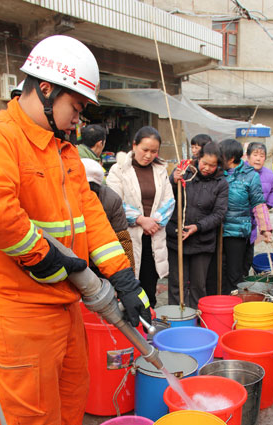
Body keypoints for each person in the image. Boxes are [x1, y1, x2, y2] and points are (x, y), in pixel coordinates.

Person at [0, 35, 151, 425]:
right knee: (32, 419)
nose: (79, 117)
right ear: (46, 89)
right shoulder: (5, 137)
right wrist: (41, 256)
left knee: (70, 397)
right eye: (77, 105)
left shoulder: (63, 151)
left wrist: (124, 279)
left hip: (66, 303)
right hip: (21, 310)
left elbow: (93, 221)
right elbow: (2, 210)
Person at [107, 126, 175, 308]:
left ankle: (148, 328)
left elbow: (169, 202)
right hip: (128, 236)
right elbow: (114, 202)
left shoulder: (160, 170)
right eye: (145, 150)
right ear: (134, 145)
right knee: (128, 287)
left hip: (153, 236)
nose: (148, 155)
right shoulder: (118, 170)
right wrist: (140, 219)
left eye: (154, 151)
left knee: (149, 288)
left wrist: (153, 222)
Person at [166, 141, 229, 308]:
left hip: (202, 240)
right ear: (198, 158)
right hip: (177, 235)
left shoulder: (221, 183)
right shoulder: (184, 171)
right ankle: (176, 320)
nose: (207, 168)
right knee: (176, 283)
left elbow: (219, 213)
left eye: (212, 165)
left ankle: (196, 320)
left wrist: (198, 227)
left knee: (198, 285)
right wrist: (173, 180)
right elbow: (165, 197)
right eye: (204, 163)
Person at [218, 139, 272, 294]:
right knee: (218, 271)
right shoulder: (218, 173)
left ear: (231, 157)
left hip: (237, 232)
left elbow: (259, 203)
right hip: (216, 230)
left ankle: (234, 306)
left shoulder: (250, 176)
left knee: (235, 273)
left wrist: (265, 229)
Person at [82, 158, 135, 271]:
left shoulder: (111, 199)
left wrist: (130, 274)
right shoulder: (61, 198)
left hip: (103, 263)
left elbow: (122, 238)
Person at [244, 142, 273, 276]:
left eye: (262, 156)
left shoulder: (269, 174)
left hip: (255, 220)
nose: (258, 158)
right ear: (248, 156)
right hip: (240, 219)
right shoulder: (241, 172)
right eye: (255, 155)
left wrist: (268, 204)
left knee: (248, 257)